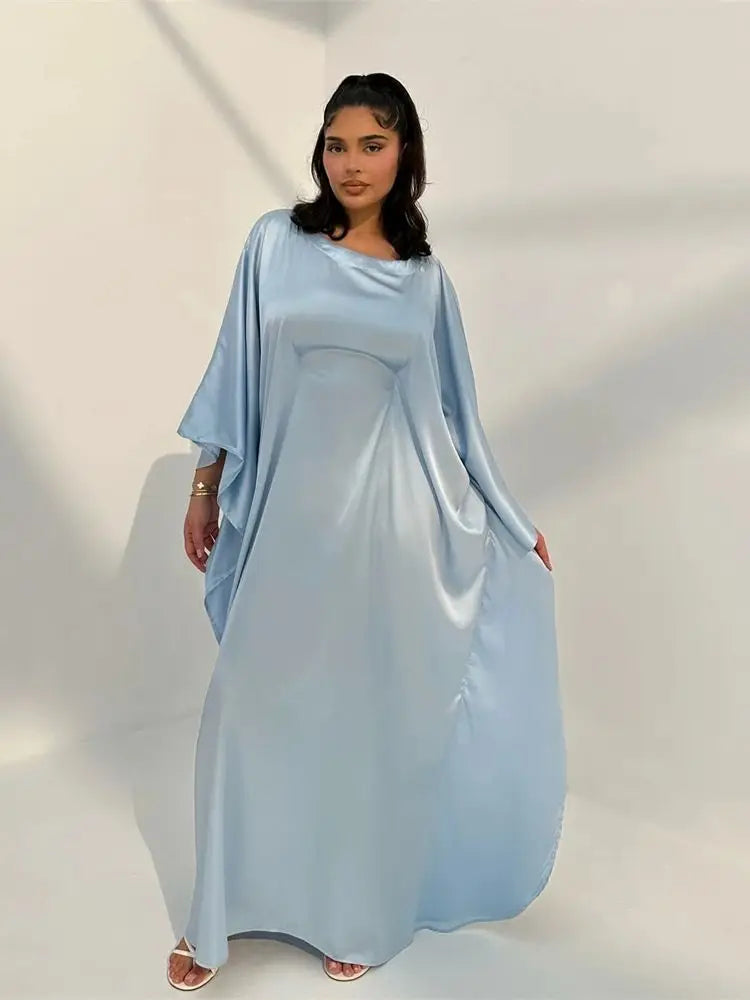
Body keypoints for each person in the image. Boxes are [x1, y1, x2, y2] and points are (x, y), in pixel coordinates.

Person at [167, 72, 566, 992]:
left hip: (387, 534)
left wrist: (511, 520)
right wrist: (205, 486)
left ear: (404, 154)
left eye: (373, 145)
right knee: (245, 711)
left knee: (359, 726)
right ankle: (216, 918)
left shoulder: (425, 283)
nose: (351, 164)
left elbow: (459, 418)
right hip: (289, 524)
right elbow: (231, 370)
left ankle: (351, 912)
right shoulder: (276, 244)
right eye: (337, 144)